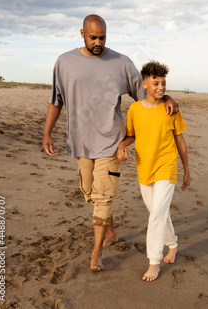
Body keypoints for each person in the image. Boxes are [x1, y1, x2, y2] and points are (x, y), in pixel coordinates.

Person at [42, 14, 178, 272]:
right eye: (93, 37)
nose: (98, 42)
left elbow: (147, 92)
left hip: (111, 142)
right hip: (81, 142)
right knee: (92, 194)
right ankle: (112, 232)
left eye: (102, 37)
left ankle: (96, 254)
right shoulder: (64, 62)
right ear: (82, 33)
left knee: (103, 198)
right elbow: (56, 101)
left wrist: (168, 95)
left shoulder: (121, 62)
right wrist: (47, 133)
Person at [117, 60, 190, 281]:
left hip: (166, 166)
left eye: (164, 83)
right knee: (158, 212)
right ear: (145, 84)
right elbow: (131, 135)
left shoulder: (171, 109)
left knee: (157, 213)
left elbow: (180, 140)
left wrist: (186, 170)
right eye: (156, 83)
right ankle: (173, 245)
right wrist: (121, 146)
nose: (161, 87)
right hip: (144, 166)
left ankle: (154, 262)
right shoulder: (135, 109)